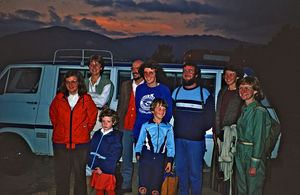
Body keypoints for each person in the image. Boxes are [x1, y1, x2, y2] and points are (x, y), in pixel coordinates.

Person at [49, 70, 98, 195]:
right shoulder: (59, 98)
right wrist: (59, 127)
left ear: (79, 82)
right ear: (64, 84)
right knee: (61, 176)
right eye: (68, 82)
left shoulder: (86, 99)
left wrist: (85, 129)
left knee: (80, 176)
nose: (71, 85)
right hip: (61, 144)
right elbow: (53, 115)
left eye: (74, 81)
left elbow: (92, 116)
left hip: (80, 145)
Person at [172, 62, 215, 195]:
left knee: (195, 172)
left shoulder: (204, 93)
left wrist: (196, 129)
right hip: (178, 140)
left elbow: (209, 119)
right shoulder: (176, 92)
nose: (187, 73)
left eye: (190, 71)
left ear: (196, 75)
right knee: (180, 171)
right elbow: (174, 113)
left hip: (196, 141)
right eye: (185, 70)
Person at [235, 76, 271, 195]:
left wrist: (254, 164)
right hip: (241, 151)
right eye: (240, 88)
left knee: (253, 190)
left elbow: (259, 139)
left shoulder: (258, 111)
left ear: (255, 91)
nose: (243, 91)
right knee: (241, 189)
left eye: (247, 88)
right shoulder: (244, 108)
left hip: (252, 153)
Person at [213, 64, 244, 194]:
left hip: (233, 137)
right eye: (226, 74)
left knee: (232, 170)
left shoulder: (241, 93)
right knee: (222, 169)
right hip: (220, 134)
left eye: (231, 74)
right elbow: (218, 112)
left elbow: (241, 115)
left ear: (237, 77)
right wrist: (216, 131)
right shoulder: (223, 91)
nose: (228, 77)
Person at [135, 98, 175, 195]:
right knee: (144, 185)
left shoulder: (168, 127)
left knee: (156, 185)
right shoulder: (146, 126)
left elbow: (170, 146)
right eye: (159, 109)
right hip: (146, 157)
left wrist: (169, 161)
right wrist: (138, 154)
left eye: (164, 109)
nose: (162, 111)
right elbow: (140, 141)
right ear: (152, 111)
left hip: (159, 159)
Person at [116, 60, 144, 193]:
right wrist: (117, 125)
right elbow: (120, 106)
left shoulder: (148, 86)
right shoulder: (125, 85)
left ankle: (141, 187)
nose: (134, 70)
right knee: (126, 159)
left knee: (141, 160)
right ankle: (126, 185)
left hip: (141, 129)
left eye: (138, 68)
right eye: (133, 68)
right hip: (125, 128)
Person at [133, 60, 172, 142]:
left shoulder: (164, 90)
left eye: (151, 73)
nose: (148, 76)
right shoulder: (139, 88)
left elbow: (168, 114)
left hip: (155, 134)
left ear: (156, 74)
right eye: (145, 73)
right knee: (138, 154)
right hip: (139, 131)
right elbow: (138, 109)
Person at [87, 108, 122, 195]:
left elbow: (114, 155)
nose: (105, 124)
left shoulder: (115, 137)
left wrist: (102, 168)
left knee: (110, 189)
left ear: (113, 122)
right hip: (96, 168)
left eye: (108, 121)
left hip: (106, 169)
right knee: (98, 189)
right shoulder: (97, 134)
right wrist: (92, 165)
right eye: (103, 121)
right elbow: (90, 150)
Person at [85, 54, 114, 137]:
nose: (94, 67)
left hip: (99, 117)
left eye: (97, 65)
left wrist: (87, 96)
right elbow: (79, 99)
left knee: (97, 142)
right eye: (91, 65)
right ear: (89, 67)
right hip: (84, 116)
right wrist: (96, 96)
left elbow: (101, 102)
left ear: (101, 67)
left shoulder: (107, 83)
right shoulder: (83, 82)